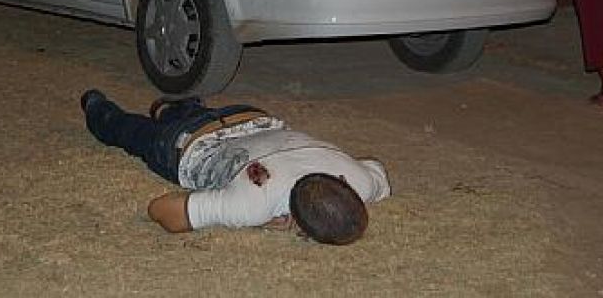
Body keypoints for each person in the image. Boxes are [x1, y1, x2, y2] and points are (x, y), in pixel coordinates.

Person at [80, 89, 391, 244]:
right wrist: (258, 221)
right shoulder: (254, 203)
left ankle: (182, 108)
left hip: (250, 116)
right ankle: (96, 106)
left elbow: (373, 163)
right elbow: (159, 210)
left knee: (183, 116)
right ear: (296, 223)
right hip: (186, 143)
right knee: (125, 131)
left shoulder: (362, 180)